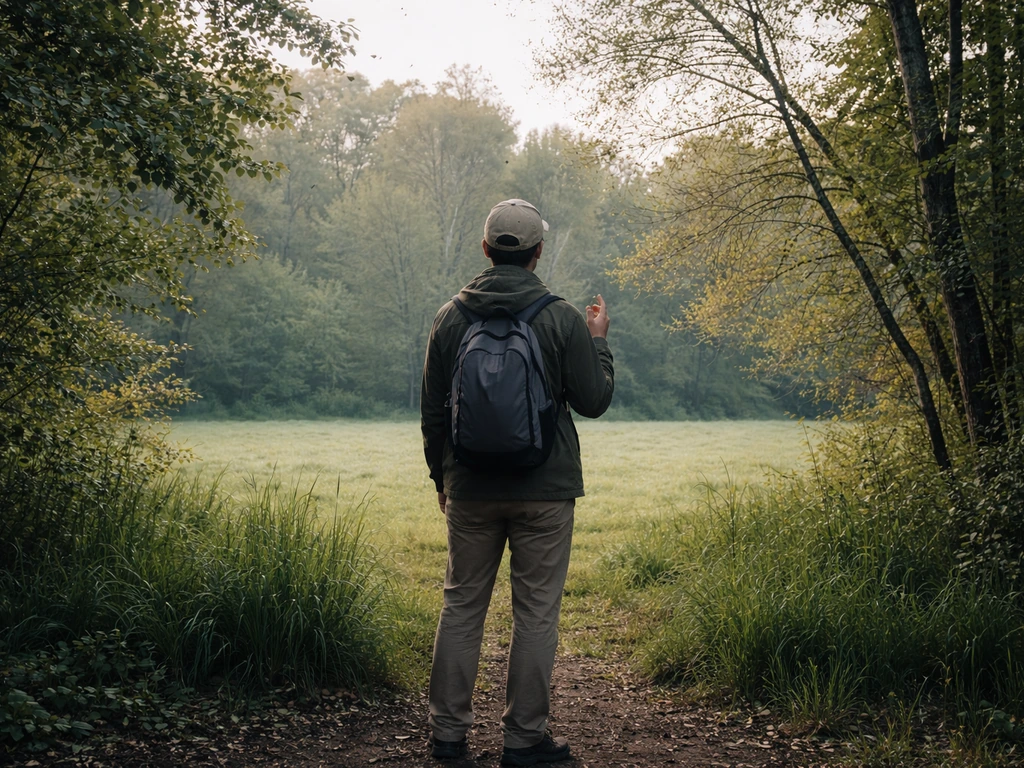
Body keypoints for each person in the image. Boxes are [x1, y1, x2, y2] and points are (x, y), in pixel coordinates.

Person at [420, 198, 614, 765]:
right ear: (537, 253)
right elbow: (594, 401)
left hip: (470, 489)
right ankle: (524, 741)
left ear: (485, 248)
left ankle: (448, 736)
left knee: (460, 605)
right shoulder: (559, 317)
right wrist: (597, 339)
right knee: (535, 613)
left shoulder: (450, 316)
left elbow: (433, 410)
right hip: (545, 489)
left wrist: (442, 477)